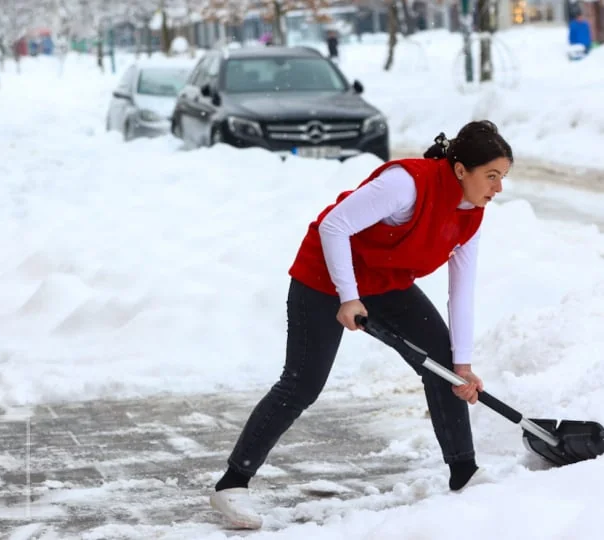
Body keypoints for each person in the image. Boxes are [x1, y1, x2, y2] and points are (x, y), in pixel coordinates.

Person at [209, 120, 514, 529]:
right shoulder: (406, 185)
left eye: (503, 178)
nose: (498, 188)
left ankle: (465, 471)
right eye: (491, 176)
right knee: (302, 382)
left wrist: (461, 365)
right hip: (323, 277)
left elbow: (461, 292)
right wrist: (348, 296)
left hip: (384, 281)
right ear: (461, 170)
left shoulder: (470, 216)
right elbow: (335, 224)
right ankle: (232, 485)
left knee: (441, 360)